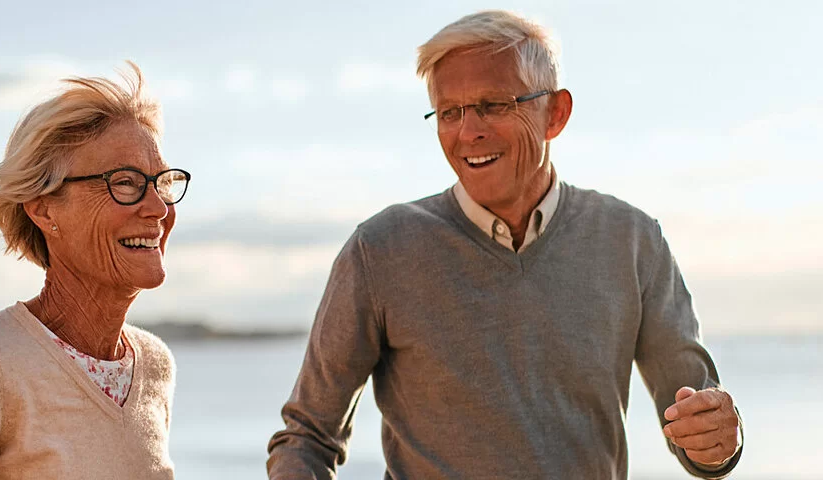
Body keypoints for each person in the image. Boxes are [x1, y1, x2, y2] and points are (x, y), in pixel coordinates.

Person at [267, 11, 742, 479]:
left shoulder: (634, 240)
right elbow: (307, 437)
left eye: (494, 105)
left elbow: (699, 424)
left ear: (555, 113)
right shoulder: (380, 250)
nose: (468, 131)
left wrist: (719, 439)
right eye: (449, 112)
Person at [0, 63, 189, 480]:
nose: (159, 208)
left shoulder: (155, 366)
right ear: (43, 208)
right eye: (125, 182)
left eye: (162, 182)